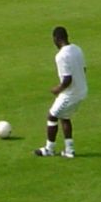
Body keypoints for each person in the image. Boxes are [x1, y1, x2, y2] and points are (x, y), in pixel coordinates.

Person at [35, 26, 86, 158]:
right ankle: (69, 150)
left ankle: (49, 149)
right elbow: (83, 69)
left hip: (71, 94)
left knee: (52, 116)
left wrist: (57, 89)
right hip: (81, 90)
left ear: (56, 39)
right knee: (65, 116)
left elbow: (67, 79)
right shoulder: (77, 49)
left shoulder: (61, 56)